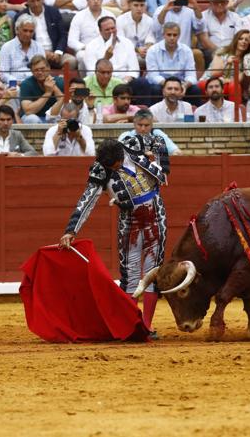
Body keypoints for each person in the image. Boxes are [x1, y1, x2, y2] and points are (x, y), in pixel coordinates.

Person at [59, 137, 169, 338]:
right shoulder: (101, 169)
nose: (113, 168)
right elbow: (87, 199)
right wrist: (71, 230)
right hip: (130, 222)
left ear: (121, 155)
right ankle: (131, 325)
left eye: (116, 165)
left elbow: (159, 142)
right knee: (131, 275)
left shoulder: (131, 143)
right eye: (110, 166)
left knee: (154, 272)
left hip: (156, 213)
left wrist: (163, 171)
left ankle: (147, 326)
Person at [145, 22, 202, 106]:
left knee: (195, 89)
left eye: (175, 35)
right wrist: (169, 87)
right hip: (161, 83)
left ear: (179, 36)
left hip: (181, 83)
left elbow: (191, 76)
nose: (172, 38)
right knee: (155, 89)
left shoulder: (186, 50)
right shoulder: (153, 50)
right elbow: (153, 76)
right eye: (169, 35)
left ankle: (192, 116)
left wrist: (184, 86)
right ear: (163, 35)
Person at [14, 0, 77, 69]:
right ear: (27, 1)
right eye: (32, 1)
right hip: (33, 55)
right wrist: (41, 52)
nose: (36, 4)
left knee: (71, 61)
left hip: (55, 53)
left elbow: (63, 35)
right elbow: (20, 41)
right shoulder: (21, 16)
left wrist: (58, 52)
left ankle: (60, 80)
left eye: (38, 0)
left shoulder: (53, 12)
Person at [152, 0, 208, 76]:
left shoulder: (190, 11)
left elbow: (200, 27)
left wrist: (196, 8)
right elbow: (155, 29)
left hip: (184, 52)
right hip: (163, 52)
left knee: (197, 54)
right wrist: (165, 10)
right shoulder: (160, 10)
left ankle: (197, 82)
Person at [82, 16, 140, 82]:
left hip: (125, 81)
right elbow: (92, 73)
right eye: (107, 29)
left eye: (113, 28)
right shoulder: (91, 46)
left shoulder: (127, 43)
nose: (111, 31)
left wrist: (124, 82)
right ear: (100, 31)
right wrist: (105, 58)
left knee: (141, 83)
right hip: (104, 81)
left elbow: (134, 69)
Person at [199, 29, 249, 100]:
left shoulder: (246, 59)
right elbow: (215, 73)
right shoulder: (223, 51)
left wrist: (227, 80)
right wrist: (227, 63)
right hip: (209, 81)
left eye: (246, 40)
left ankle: (236, 110)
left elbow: (238, 79)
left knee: (234, 85)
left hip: (227, 84)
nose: (243, 41)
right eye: (240, 39)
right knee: (216, 86)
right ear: (236, 40)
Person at [67, 0, 112, 74]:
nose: (96, 1)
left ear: (102, 0)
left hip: (105, 49)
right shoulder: (78, 16)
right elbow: (71, 41)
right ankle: (86, 82)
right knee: (82, 56)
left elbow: (115, 37)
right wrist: (87, 47)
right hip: (85, 49)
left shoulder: (110, 15)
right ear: (87, 0)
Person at [0, 14, 45, 84]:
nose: (28, 34)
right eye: (25, 30)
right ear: (17, 30)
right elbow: (3, 74)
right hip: (15, 85)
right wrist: (18, 83)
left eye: (31, 31)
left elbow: (44, 69)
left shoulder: (39, 47)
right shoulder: (7, 47)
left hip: (36, 83)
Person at [19, 54, 64, 123]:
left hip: (53, 117)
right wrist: (48, 93)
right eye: (36, 70)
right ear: (32, 71)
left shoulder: (60, 82)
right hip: (34, 117)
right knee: (32, 119)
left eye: (42, 69)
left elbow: (65, 105)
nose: (40, 72)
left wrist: (54, 87)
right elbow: (28, 111)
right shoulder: (26, 84)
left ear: (48, 68)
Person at [201, 0, 243, 65]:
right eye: (216, 2)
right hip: (211, 51)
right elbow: (204, 40)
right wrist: (219, 53)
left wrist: (229, 51)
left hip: (231, 50)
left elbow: (238, 37)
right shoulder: (203, 16)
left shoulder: (235, 17)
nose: (219, 4)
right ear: (210, 3)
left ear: (227, 3)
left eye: (222, 2)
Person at [116, 0, 155, 69]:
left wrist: (145, 50)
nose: (139, 9)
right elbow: (121, 42)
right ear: (130, 5)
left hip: (144, 54)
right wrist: (137, 50)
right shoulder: (120, 20)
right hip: (126, 54)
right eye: (136, 5)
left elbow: (150, 40)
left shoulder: (150, 21)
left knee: (153, 58)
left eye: (142, 5)